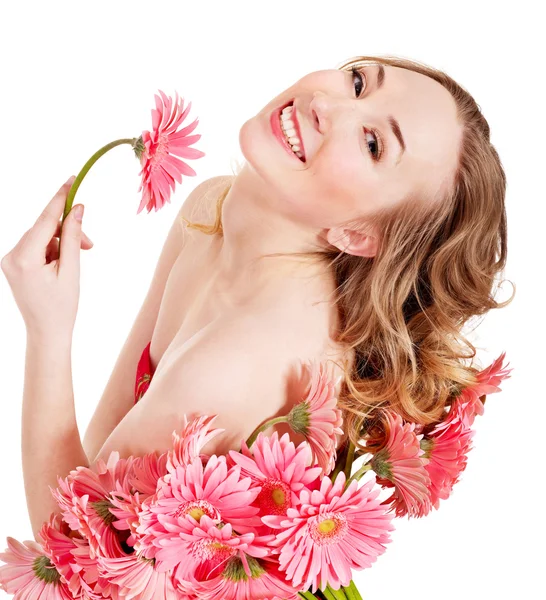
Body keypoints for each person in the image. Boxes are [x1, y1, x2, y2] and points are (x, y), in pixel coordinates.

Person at [2, 54, 514, 538]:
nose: (327, 104)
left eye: (374, 144)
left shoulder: (239, 360)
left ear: (359, 234)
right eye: (359, 82)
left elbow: (71, 547)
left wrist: (48, 333)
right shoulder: (210, 207)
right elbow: (99, 460)